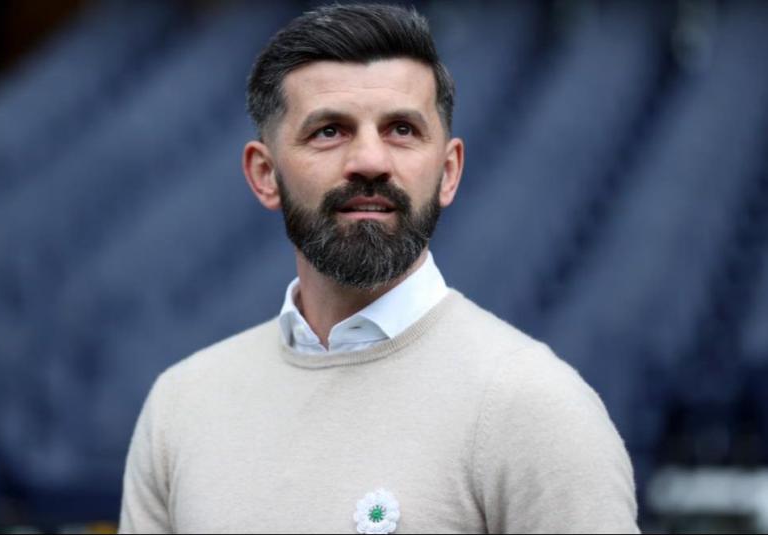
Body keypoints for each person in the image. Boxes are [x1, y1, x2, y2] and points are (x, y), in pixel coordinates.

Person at [119, 4, 638, 533]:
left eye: (401, 130)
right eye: (329, 131)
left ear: (448, 172)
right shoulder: (181, 407)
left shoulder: (537, 408)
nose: (370, 161)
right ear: (265, 174)